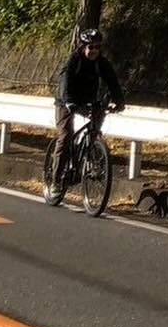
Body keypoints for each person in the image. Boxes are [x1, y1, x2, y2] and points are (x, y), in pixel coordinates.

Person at [48, 26, 125, 203]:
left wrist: (119, 101)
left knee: (94, 131)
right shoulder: (73, 61)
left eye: (97, 47)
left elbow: (113, 82)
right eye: (91, 47)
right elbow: (65, 82)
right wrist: (68, 101)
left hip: (89, 100)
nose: (94, 51)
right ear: (83, 47)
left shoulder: (101, 63)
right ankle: (56, 181)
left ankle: (91, 155)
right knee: (66, 136)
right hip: (66, 102)